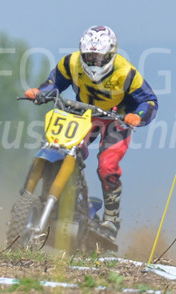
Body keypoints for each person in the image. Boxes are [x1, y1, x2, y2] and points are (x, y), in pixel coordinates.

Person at [24, 25, 157, 241]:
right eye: (89, 56)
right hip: (84, 113)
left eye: (98, 56)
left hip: (117, 118)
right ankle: (65, 197)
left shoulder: (126, 73)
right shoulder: (71, 62)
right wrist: (41, 93)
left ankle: (111, 220)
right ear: (82, 52)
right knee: (58, 144)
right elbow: (54, 83)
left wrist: (138, 116)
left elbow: (149, 100)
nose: (94, 61)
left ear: (111, 55)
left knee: (107, 165)